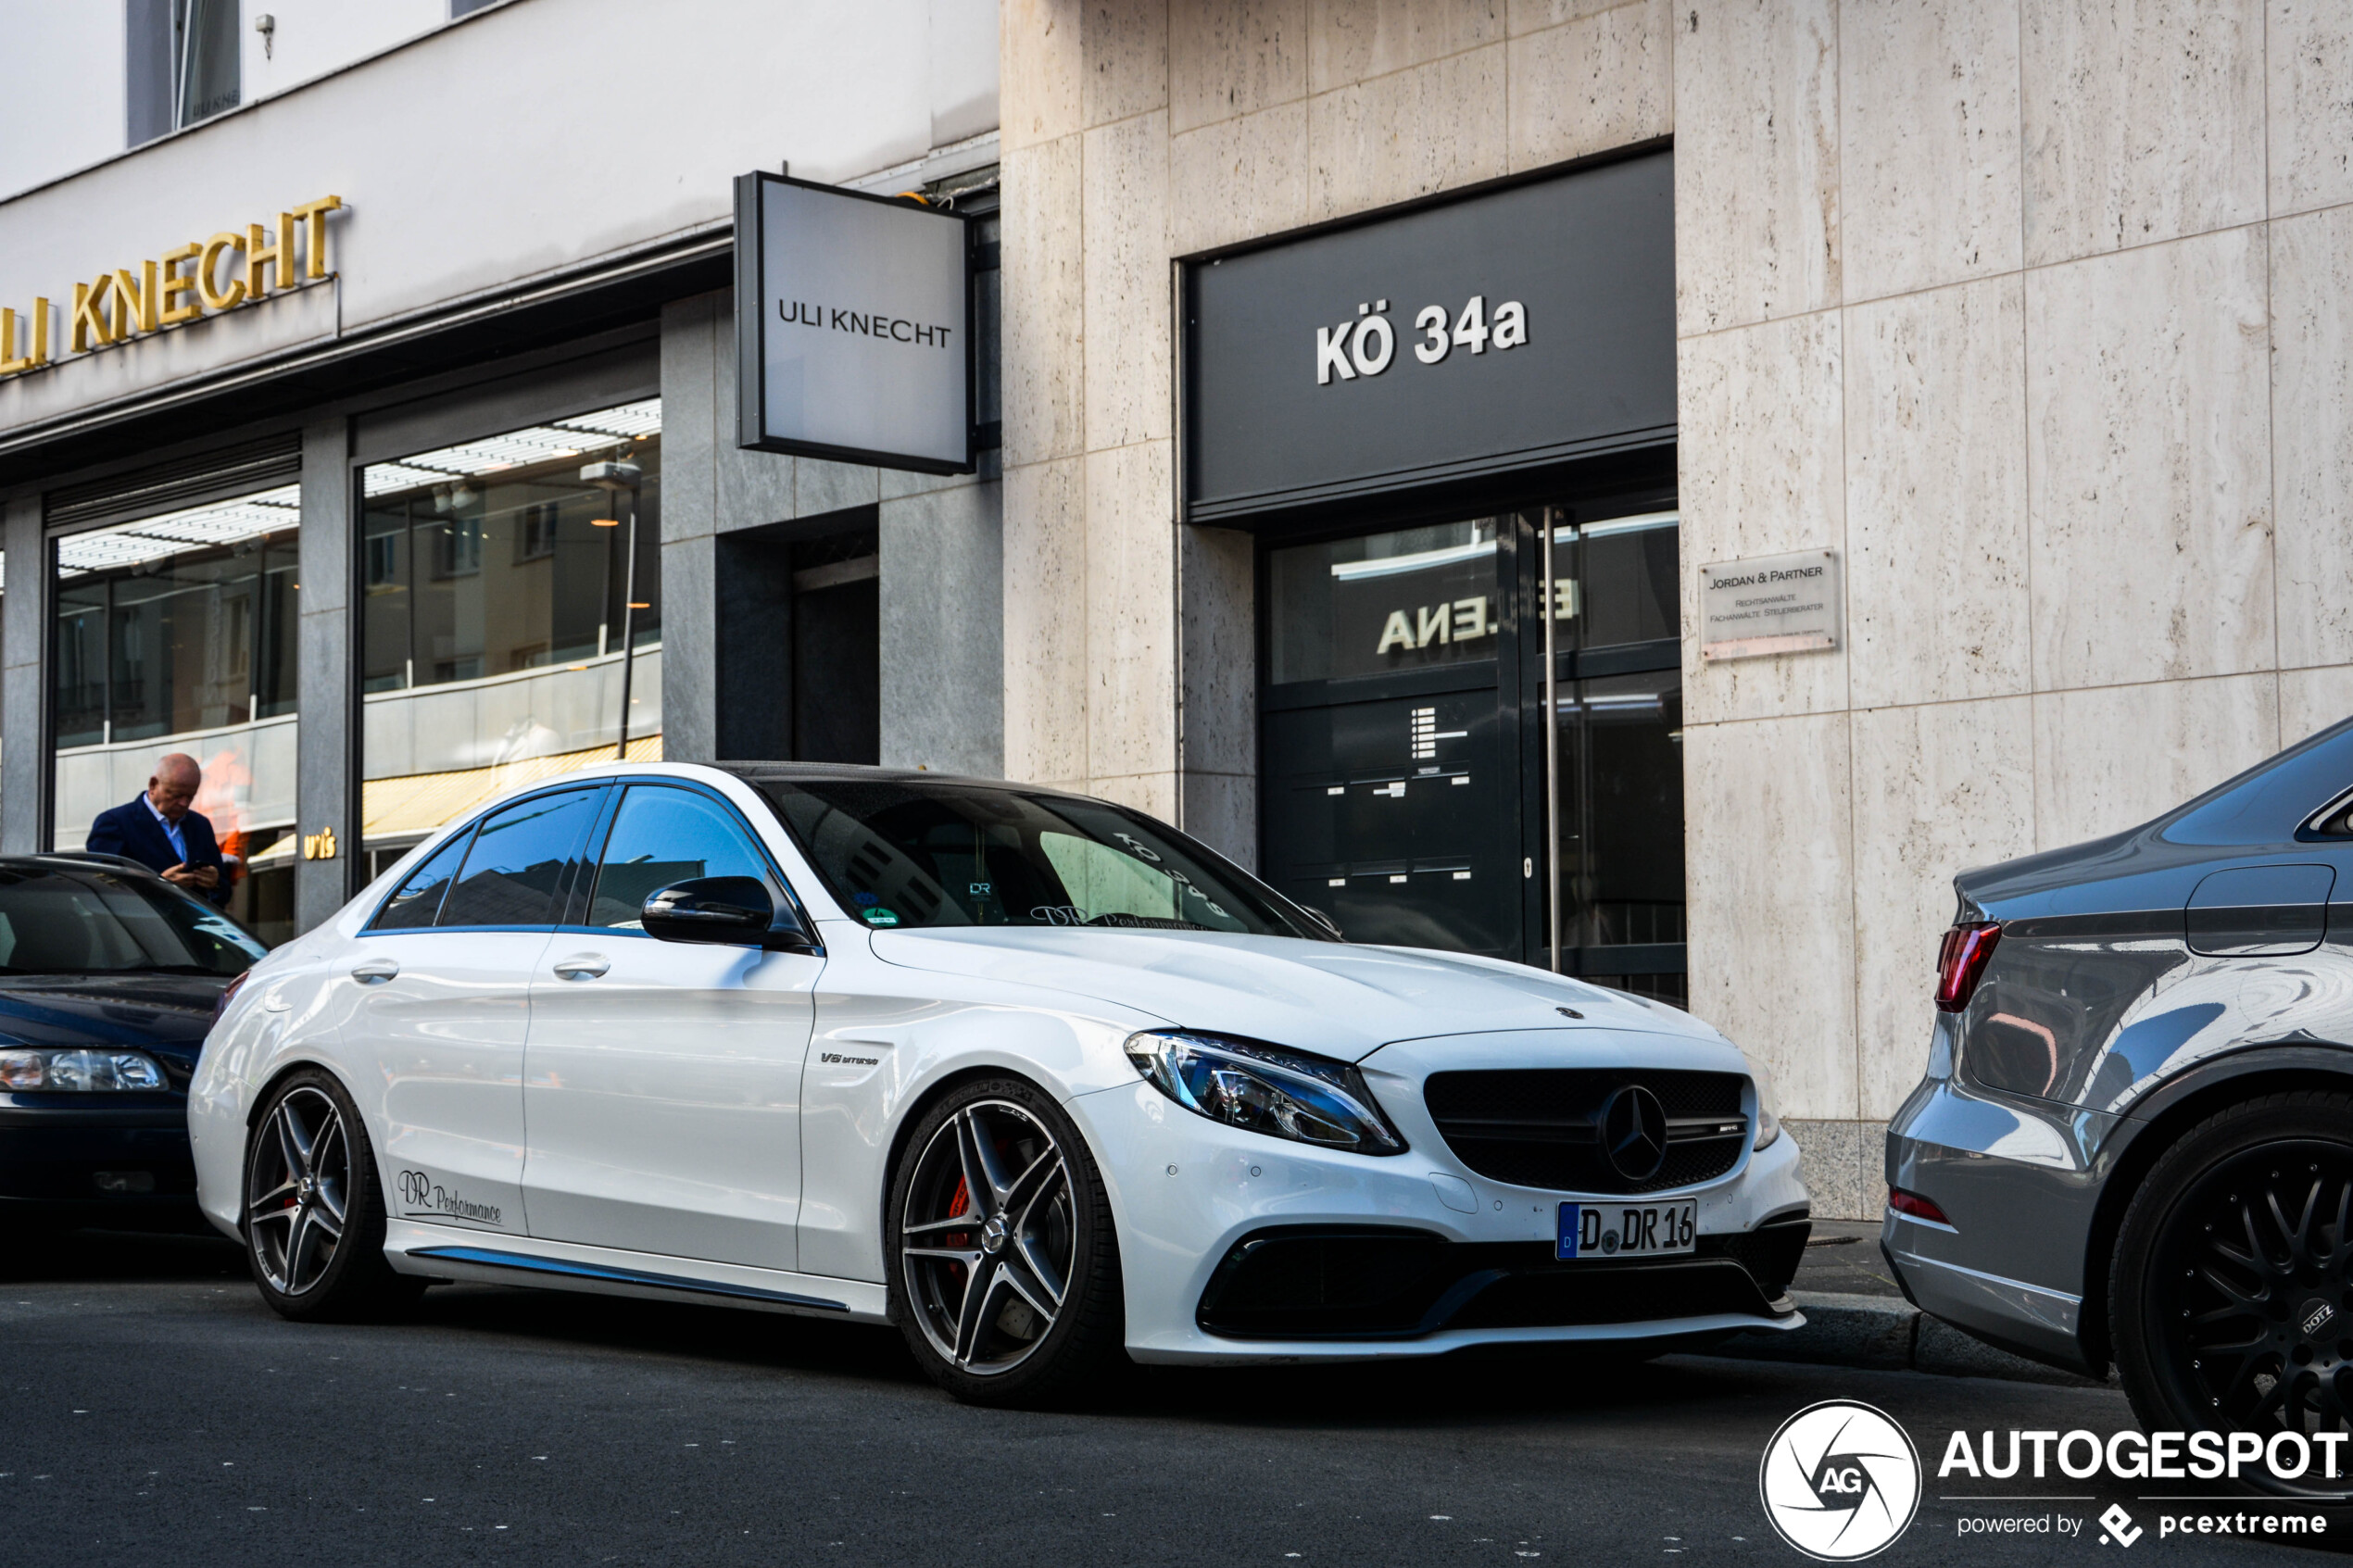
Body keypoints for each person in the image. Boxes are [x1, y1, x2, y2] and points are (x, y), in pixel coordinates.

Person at [86, 753, 232, 908]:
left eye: (190, 797)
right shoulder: (115, 823)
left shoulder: (200, 825)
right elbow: (102, 890)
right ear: (153, 785)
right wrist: (157, 885)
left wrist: (215, 883)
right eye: (176, 795)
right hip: (139, 927)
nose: (183, 803)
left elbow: (224, 892)